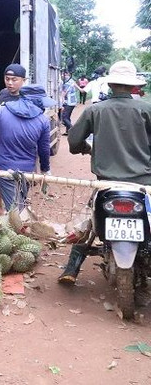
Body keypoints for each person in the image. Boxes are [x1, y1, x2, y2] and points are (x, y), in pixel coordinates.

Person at [59, 60, 151, 283]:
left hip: (106, 183)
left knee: (89, 225)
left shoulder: (95, 110)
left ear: (111, 85)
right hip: (143, 184)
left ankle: (71, 269)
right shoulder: (147, 109)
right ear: (133, 87)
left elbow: (73, 140)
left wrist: (85, 148)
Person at [0, 75, 53, 213]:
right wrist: (45, 170)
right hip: (26, 170)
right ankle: (19, 230)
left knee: (18, 205)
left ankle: (19, 228)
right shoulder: (43, 121)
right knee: (18, 208)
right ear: (36, 102)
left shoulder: (1, 111)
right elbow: (44, 149)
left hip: (2, 169)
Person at [0, 64, 25, 215]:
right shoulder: (2, 94)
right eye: (7, 79)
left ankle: (19, 212)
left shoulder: (27, 97)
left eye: (14, 79)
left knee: (17, 179)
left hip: (17, 145)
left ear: (23, 80)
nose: (10, 83)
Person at [60, 70, 80, 135]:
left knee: (64, 118)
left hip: (68, 102)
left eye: (62, 74)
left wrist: (61, 104)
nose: (61, 76)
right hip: (73, 102)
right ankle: (68, 132)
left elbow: (63, 94)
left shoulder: (66, 83)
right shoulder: (72, 81)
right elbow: (78, 88)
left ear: (66, 74)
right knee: (68, 117)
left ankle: (72, 129)